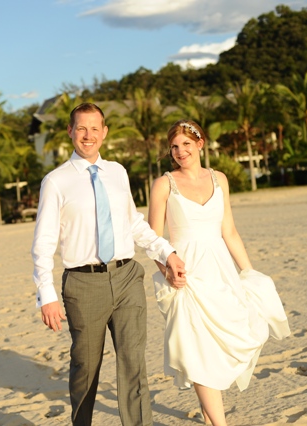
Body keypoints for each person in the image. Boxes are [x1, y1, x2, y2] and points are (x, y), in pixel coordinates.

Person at [31, 102, 186, 426]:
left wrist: (166, 252)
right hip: (83, 284)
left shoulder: (117, 172)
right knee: (85, 367)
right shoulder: (55, 181)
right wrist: (46, 294)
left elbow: (134, 223)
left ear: (104, 132)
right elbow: (44, 241)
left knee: (133, 364)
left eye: (94, 129)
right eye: (81, 128)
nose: (88, 135)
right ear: (70, 132)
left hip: (127, 277)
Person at [148, 119, 291, 425]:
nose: (180, 151)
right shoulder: (164, 184)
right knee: (197, 349)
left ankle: (209, 412)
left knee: (230, 341)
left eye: (186, 144)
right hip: (185, 275)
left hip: (221, 271)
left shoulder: (220, 179)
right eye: (174, 147)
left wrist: (249, 274)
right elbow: (153, 239)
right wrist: (168, 271)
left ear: (200, 144)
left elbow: (230, 232)